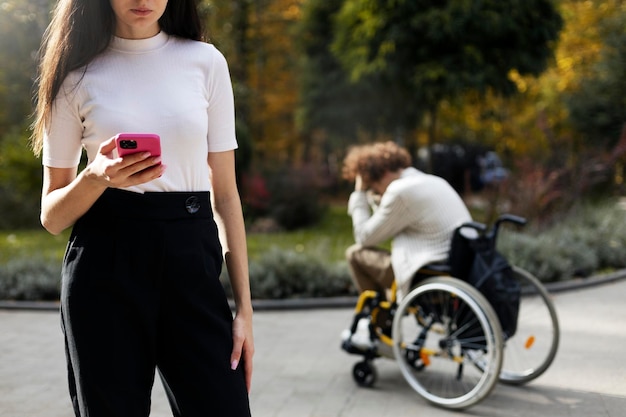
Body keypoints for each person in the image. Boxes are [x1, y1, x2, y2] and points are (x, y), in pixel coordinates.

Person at [30, 1, 253, 416]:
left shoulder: (205, 62)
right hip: (105, 261)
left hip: (191, 257)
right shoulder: (75, 77)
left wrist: (244, 309)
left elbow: (225, 194)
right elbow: (52, 215)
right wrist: (96, 176)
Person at [342, 141, 473, 302]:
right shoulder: (431, 181)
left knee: (355, 254)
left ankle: (380, 321)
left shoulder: (400, 191)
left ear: (383, 174)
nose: (375, 192)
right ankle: (386, 308)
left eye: (373, 188)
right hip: (457, 264)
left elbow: (364, 237)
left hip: (426, 271)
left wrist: (360, 193)